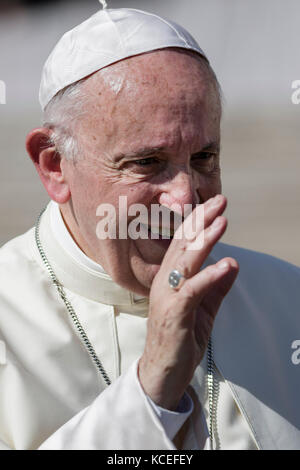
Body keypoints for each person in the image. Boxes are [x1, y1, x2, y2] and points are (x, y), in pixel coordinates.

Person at [0, 6, 299, 451]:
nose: (184, 197)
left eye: (203, 159)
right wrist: (151, 390)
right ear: (55, 165)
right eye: (146, 162)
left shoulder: (288, 298)